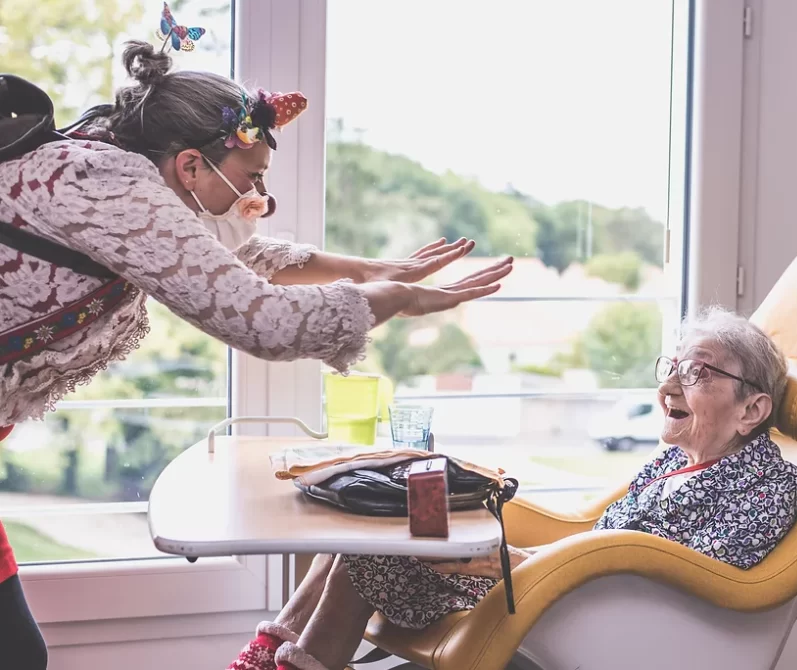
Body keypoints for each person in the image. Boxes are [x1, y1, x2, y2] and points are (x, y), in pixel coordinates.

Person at [0, 41, 513, 668]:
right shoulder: (103, 183)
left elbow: (240, 257)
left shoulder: (123, 169)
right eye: (252, 177)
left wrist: (378, 269)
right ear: (191, 166)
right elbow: (265, 323)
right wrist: (397, 295)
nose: (261, 197)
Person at [226, 308, 797, 670]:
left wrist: (501, 562)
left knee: (361, 561)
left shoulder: (762, 488)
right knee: (355, 536)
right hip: (562, 585)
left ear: (753, 407)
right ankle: (266, 655)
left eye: (698, 372)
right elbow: (606, 539)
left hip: (588, 616)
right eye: (671, 367)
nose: (670, 385)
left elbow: (657, 578)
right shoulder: (684, 461)